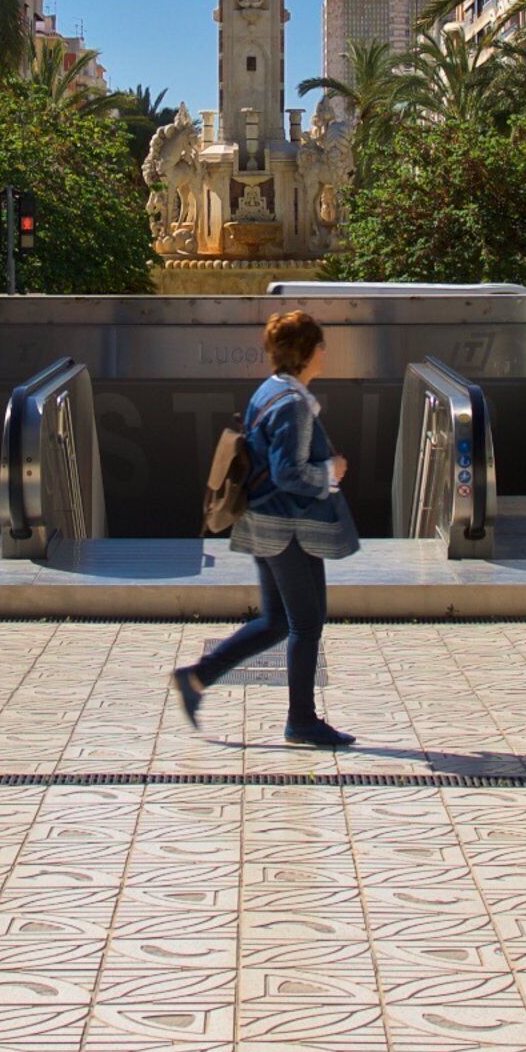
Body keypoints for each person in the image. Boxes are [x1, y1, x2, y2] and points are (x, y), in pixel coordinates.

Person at [171, 308, 360, 747]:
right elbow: (287, 473)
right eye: (320, 345)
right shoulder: (293, 405)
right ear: (307, 352)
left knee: (277, 621)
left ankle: (196, 677)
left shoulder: (270, 389)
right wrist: (330, 471)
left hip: (263, 522)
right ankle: (302, 721)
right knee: (306, 623)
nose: (325, 352)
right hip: (286, 528)